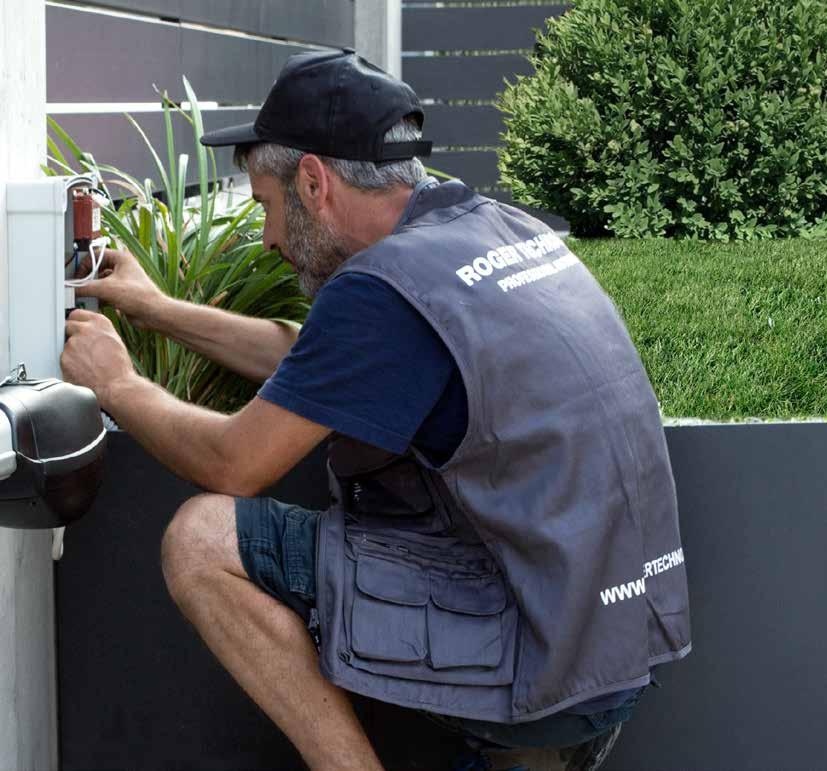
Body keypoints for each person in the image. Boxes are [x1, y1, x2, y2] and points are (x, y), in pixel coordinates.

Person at [60, 49, 692, 771]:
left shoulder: (381, 291)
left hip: (535, 666)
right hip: (610, 646)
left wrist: (118, 384)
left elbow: (232, 463)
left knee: (201, 539)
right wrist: (161, 311)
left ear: (312, 182)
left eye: (265, 205)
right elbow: (319, 361)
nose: (267, 237)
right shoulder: (489, 233)